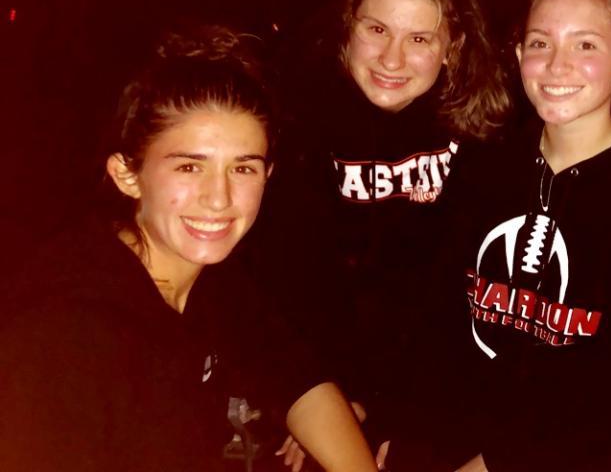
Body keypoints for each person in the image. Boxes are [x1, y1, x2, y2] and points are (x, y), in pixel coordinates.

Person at [0, 27, 378, 472]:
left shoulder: (208, 277)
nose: (219, 199)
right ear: (128, 175)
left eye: (242, 169)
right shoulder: (65, 335)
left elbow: (293, 374)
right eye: (188, 167)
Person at [393, 0, 611, 472]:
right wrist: (405, 431)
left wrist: (498, 463)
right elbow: (439, 323)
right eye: (540, 43)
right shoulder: (485, 165)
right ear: (518, 57)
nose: (557, 65)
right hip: (456, 446)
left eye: (585, 45)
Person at [243, 0, 511, 449]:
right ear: (348, 28)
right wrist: (327, 399)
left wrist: (392, 407)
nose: (392, 58)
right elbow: (287, 278)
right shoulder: (291, 122)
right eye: (377, 29)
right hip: (315, 380)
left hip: (434, 390)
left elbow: (458, 290)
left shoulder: (487, 138)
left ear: (452, 49)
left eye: (419, 39)